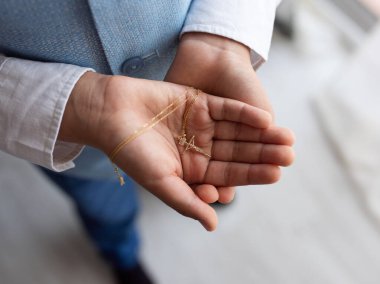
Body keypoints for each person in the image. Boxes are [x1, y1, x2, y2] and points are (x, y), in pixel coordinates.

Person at [0, 1, 294, 283]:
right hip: (72, 145)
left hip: (199, 87)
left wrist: (221, 39)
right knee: (107, 210)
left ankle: (198, 181)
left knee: (203, 179)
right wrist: (83, 106)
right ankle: (122, 254)